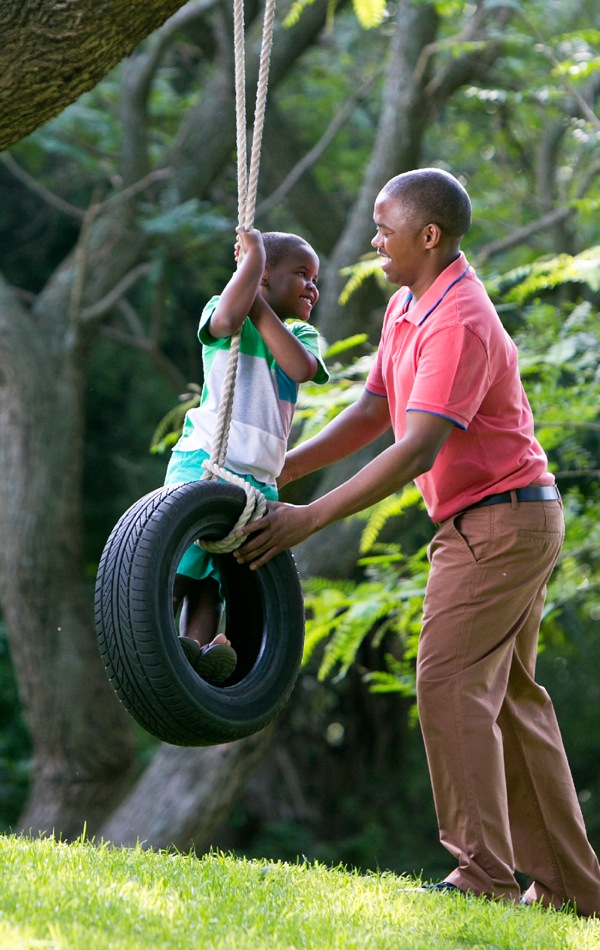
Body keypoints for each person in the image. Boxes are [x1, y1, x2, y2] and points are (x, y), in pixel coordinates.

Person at [233, 168, 600, 915]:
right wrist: (282, 466)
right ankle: (573, 891)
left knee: (447, 681)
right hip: (500, 517)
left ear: (427, 236)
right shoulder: (408, 304)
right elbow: (376, 409)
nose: (374, 242)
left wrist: (309, 517)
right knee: (508, 702)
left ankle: (483, 874)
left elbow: (415, 448)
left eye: (384, 229)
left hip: (501, 521)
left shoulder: (458, 319)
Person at [164, 227, 329, 684]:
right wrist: (249, 270)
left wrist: (258, 300)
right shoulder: (224, 312)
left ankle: (195, 656)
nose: (313, 287)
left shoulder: (300, 333)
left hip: (257, 481)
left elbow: (300, 368)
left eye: (315, 278)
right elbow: (224, 321)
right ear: (263, 277)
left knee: (215, 583)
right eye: (302, 274)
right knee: (177, 569)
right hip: (204, 460)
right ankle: (156, 647)